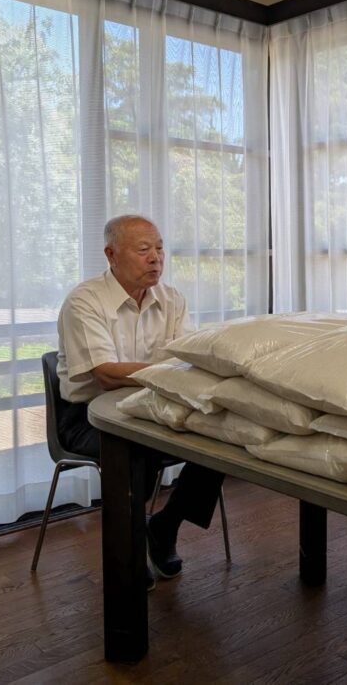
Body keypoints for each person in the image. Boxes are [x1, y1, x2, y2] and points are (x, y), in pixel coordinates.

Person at [56, 214, 224, 586]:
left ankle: (164, 526)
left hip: (153, 405)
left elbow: (191, 360)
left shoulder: (172, 299)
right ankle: (128, 548)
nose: (156, 258)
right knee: (138, 450)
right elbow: (106, 374)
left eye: (160, 248)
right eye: (144, 249)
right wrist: (169, 370)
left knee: (222, 437)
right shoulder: (84, 301)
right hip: (88, 416)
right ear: (111, 255)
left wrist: (179, 371)